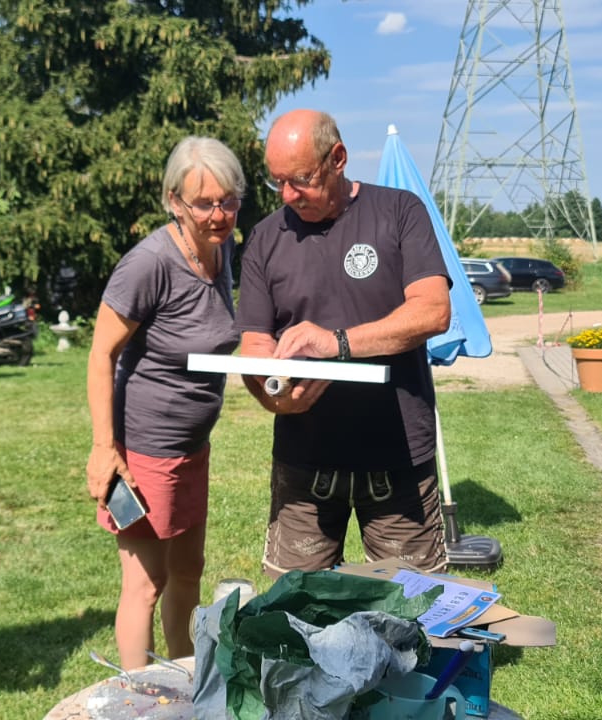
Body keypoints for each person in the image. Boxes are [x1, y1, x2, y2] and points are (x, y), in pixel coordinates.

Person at [234, 109, 453, 577]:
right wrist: (273, 395)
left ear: (338, 158)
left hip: (397, 459)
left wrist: (335, 343)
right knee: (296, 608)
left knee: (411, 608)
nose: (288, 195)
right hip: (304, 463)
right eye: (277, 182)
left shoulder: (399, 211)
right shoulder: (265, 238)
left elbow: (433, 311)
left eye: (301, 179)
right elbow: (254, 342)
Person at [86, 136, 243, 670]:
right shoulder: (149, 263)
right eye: (204, 203)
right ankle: (137, 695)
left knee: (188, 573)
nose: (219, 214)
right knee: (146, 583)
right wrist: (105, 449)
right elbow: (101, 353)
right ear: (174, 200)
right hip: (143, 453)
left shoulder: (222, 250)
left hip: (192, 448)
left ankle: (186, 683)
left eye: (228, 201)